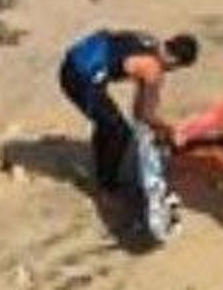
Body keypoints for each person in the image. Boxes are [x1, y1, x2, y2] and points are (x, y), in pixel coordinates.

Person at [58, 28, 199, 192]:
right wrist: (167, 129)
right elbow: (144, 114)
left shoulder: (148, 39)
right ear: (176, 62)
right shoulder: (152, 68)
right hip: (80, 80)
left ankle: (101, 168)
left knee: (108, 123)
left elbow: (140, 108)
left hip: (74, 63)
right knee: (120, 132)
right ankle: (106, 185)